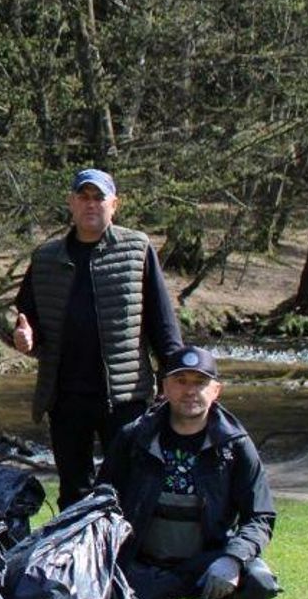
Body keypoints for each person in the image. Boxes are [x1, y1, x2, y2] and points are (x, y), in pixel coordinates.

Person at [97, 347, 279, 599]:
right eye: (180, 381)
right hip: (142, 564)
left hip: (207, 564)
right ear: (164, 387)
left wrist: (233, 558)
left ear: (216, 390)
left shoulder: (236, 446)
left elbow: (260, 516)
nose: (190, 390)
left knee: (259, 584)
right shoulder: (133, 438)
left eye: (200, 382)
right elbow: (102, 503)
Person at [11, 168, 182, 508]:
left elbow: (162, 322)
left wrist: (174, 377)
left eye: (98, 197)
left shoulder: (137, 249)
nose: (91, 204)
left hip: (125, 395)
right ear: (71, 203)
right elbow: (26, 320)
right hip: (64, 395)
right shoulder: (45, 257)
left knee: (127, 487)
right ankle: (75, 560)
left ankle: (125, 560)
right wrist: (23, 336)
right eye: (84, 197)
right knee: (73, 492)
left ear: (114, 204)